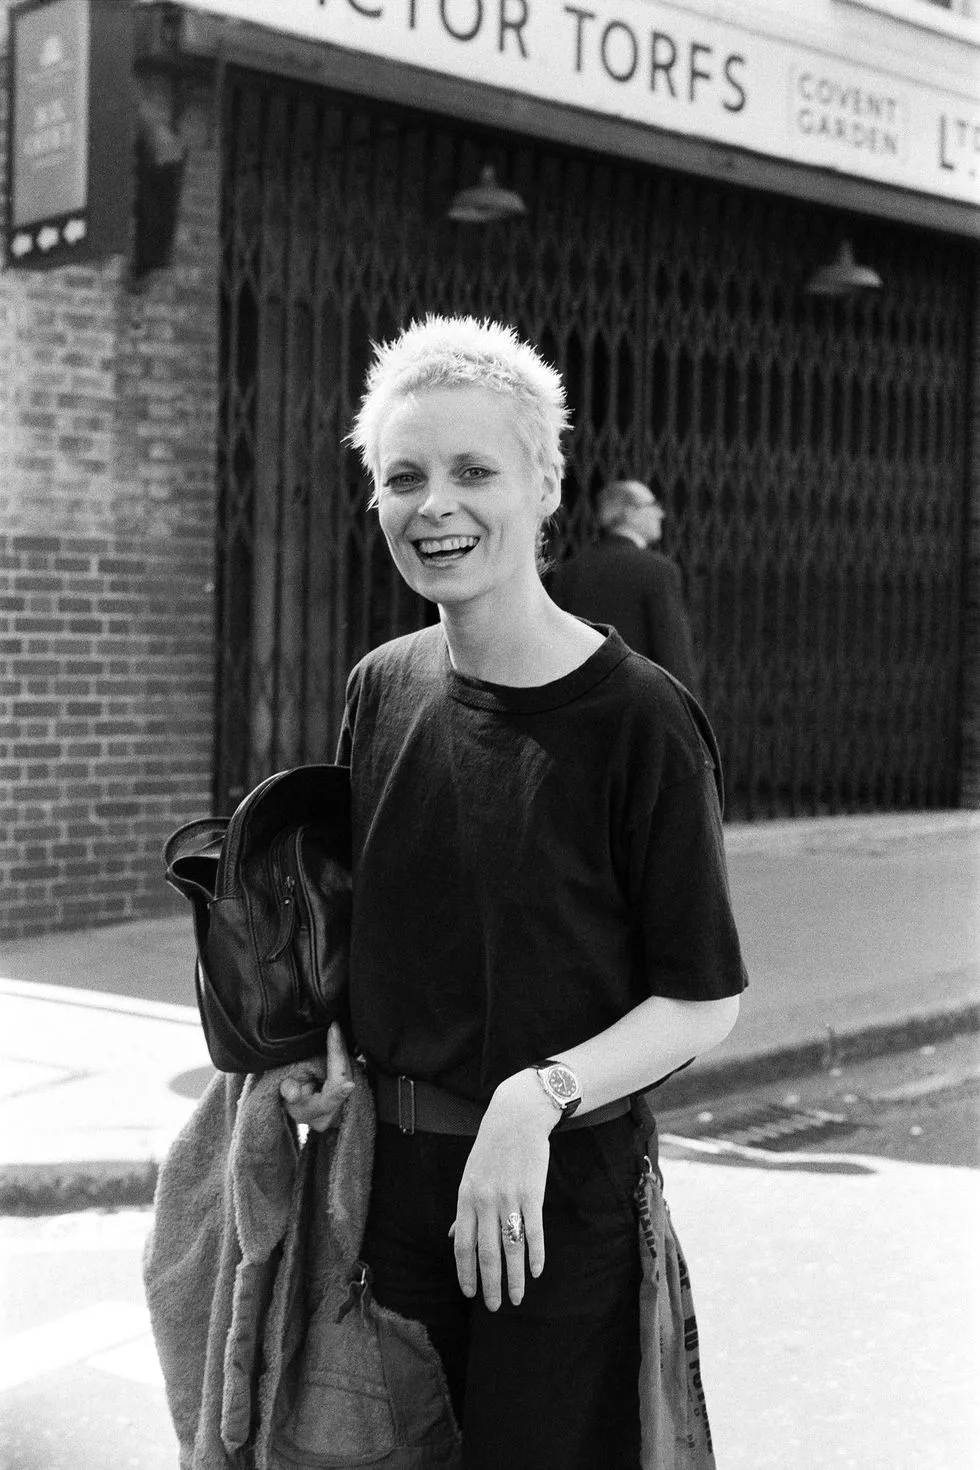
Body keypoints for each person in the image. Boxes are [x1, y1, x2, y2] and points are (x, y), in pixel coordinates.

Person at [279, 316, 747, 1468]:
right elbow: (370, 916)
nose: (433, 506)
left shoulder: (639, 720)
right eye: (402, 478)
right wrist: (317, 1038)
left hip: (557, 1202)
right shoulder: (379, 687)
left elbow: (701, 999)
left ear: (544, 488)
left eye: (473, 471)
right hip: (386, 1194)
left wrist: (533, 1098)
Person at [549, 478, 700, 693]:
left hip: (579, 702)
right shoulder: (657, 570)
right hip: (636, 705)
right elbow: (672, 652)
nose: (661, 514)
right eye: (653, 505)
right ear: (629, 512)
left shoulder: (572, 569)